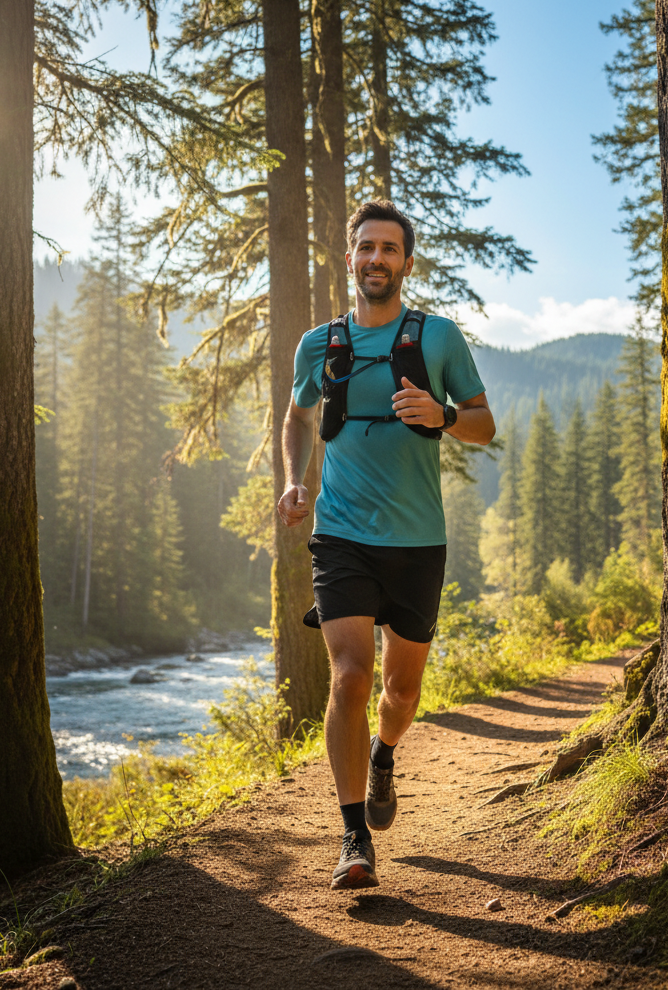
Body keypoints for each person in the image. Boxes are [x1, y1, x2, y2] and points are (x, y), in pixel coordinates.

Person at [277, 200, 495, 890]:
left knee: (401, 691)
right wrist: (294, 481)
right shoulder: (319, 344)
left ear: (406, 261)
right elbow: (298, 415)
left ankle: (384, 753)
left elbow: (485, 426)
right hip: (339, 534)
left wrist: (445, 414)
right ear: (350, 259)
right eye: (365, 248)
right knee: (349, 673)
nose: (376, 259)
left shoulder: (438, 339)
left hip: (417, 542)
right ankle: (352, 838)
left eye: (389, 249)